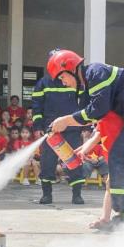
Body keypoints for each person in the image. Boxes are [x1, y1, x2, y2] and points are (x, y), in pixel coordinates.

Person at [47, 49, 124, 231]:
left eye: (62, 78)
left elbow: (97, 111)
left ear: (70, 68)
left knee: (120, 159)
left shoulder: (96, 73)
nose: (63, 84)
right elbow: (102, 119)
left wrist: (65, 120)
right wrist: (88, 144)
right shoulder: (91, 83)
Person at [31, 58, 88, 206]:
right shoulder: (43, 83)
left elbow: (85, 105)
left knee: (74, 162)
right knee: (47, 163)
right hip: (50, 131)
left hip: (73, 129)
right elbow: (37, 107)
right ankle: (46, 195)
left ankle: (77, 195)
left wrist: (86, 128)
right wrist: (38, 127)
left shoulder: (74, 81)